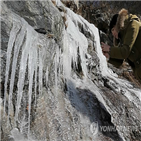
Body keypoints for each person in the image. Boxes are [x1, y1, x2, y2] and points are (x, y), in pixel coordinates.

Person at [101, 8, 141, 83]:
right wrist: (108, 56)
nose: (113, 34)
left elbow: (125, 52)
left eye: (112, 30)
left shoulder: (133, 24)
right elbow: (120, 62)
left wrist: (109, 49)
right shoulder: (123, 38)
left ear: (117, 24)